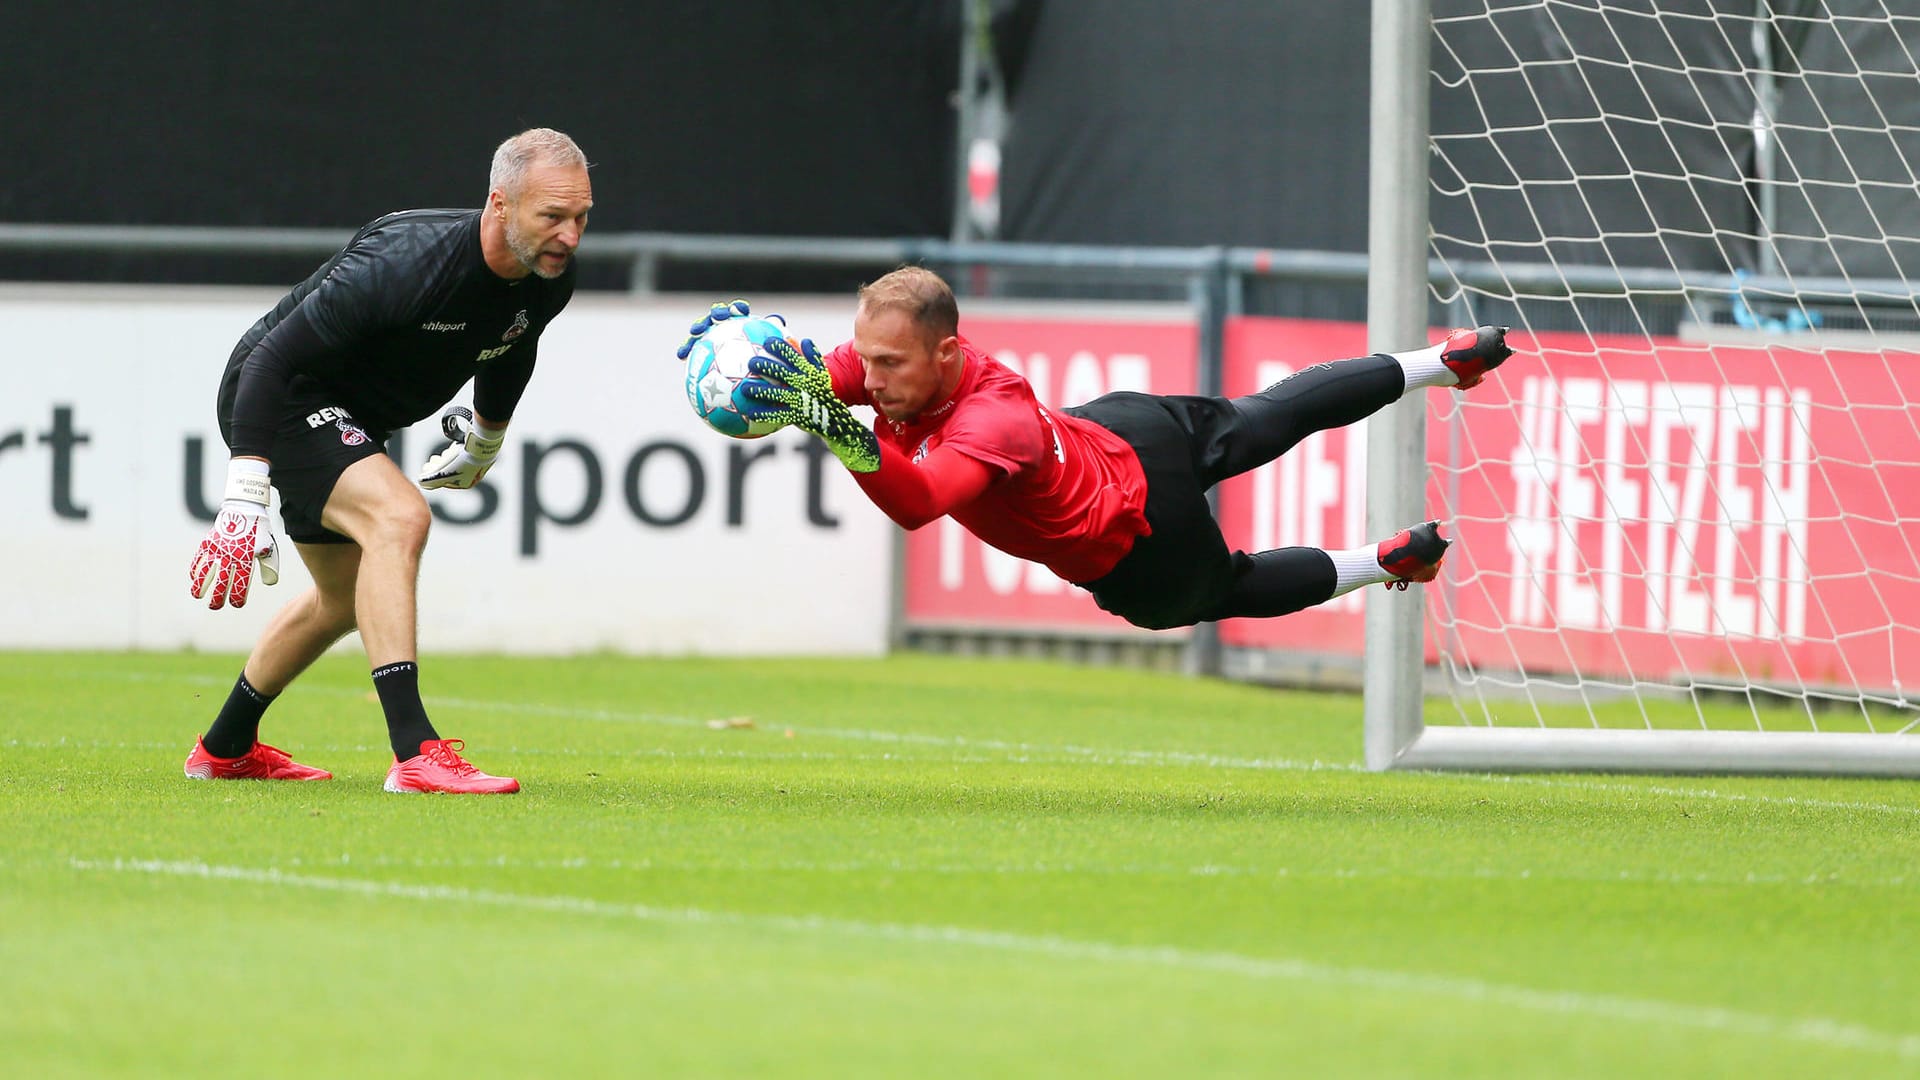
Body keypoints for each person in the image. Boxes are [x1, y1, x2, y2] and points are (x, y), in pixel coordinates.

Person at [677, 266, 1512, 631]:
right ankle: (1438, 362)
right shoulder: (905, 364)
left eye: (891, 363)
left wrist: (828, 421)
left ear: (945, 354)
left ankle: (1383, 563)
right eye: (872, 360)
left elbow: (919, 504)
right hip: (1128, 430)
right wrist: (762, 363)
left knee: (1225, 590)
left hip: (1138, 539)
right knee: (1261, 418)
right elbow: (817, 374)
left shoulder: (989, 419)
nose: (874, 377)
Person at [183, 127, 593, 794]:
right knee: (399, 518)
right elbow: (271, 360)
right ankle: (416, 751)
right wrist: (243, 492)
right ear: (499, 205)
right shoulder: (403, 260)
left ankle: (224, 746)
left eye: (581, 217)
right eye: (552, 216)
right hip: (284, 397)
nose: (570, 236)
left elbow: (512, 343)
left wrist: (484, 443)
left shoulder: (550, 273)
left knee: (346, 599)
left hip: (354, 416)